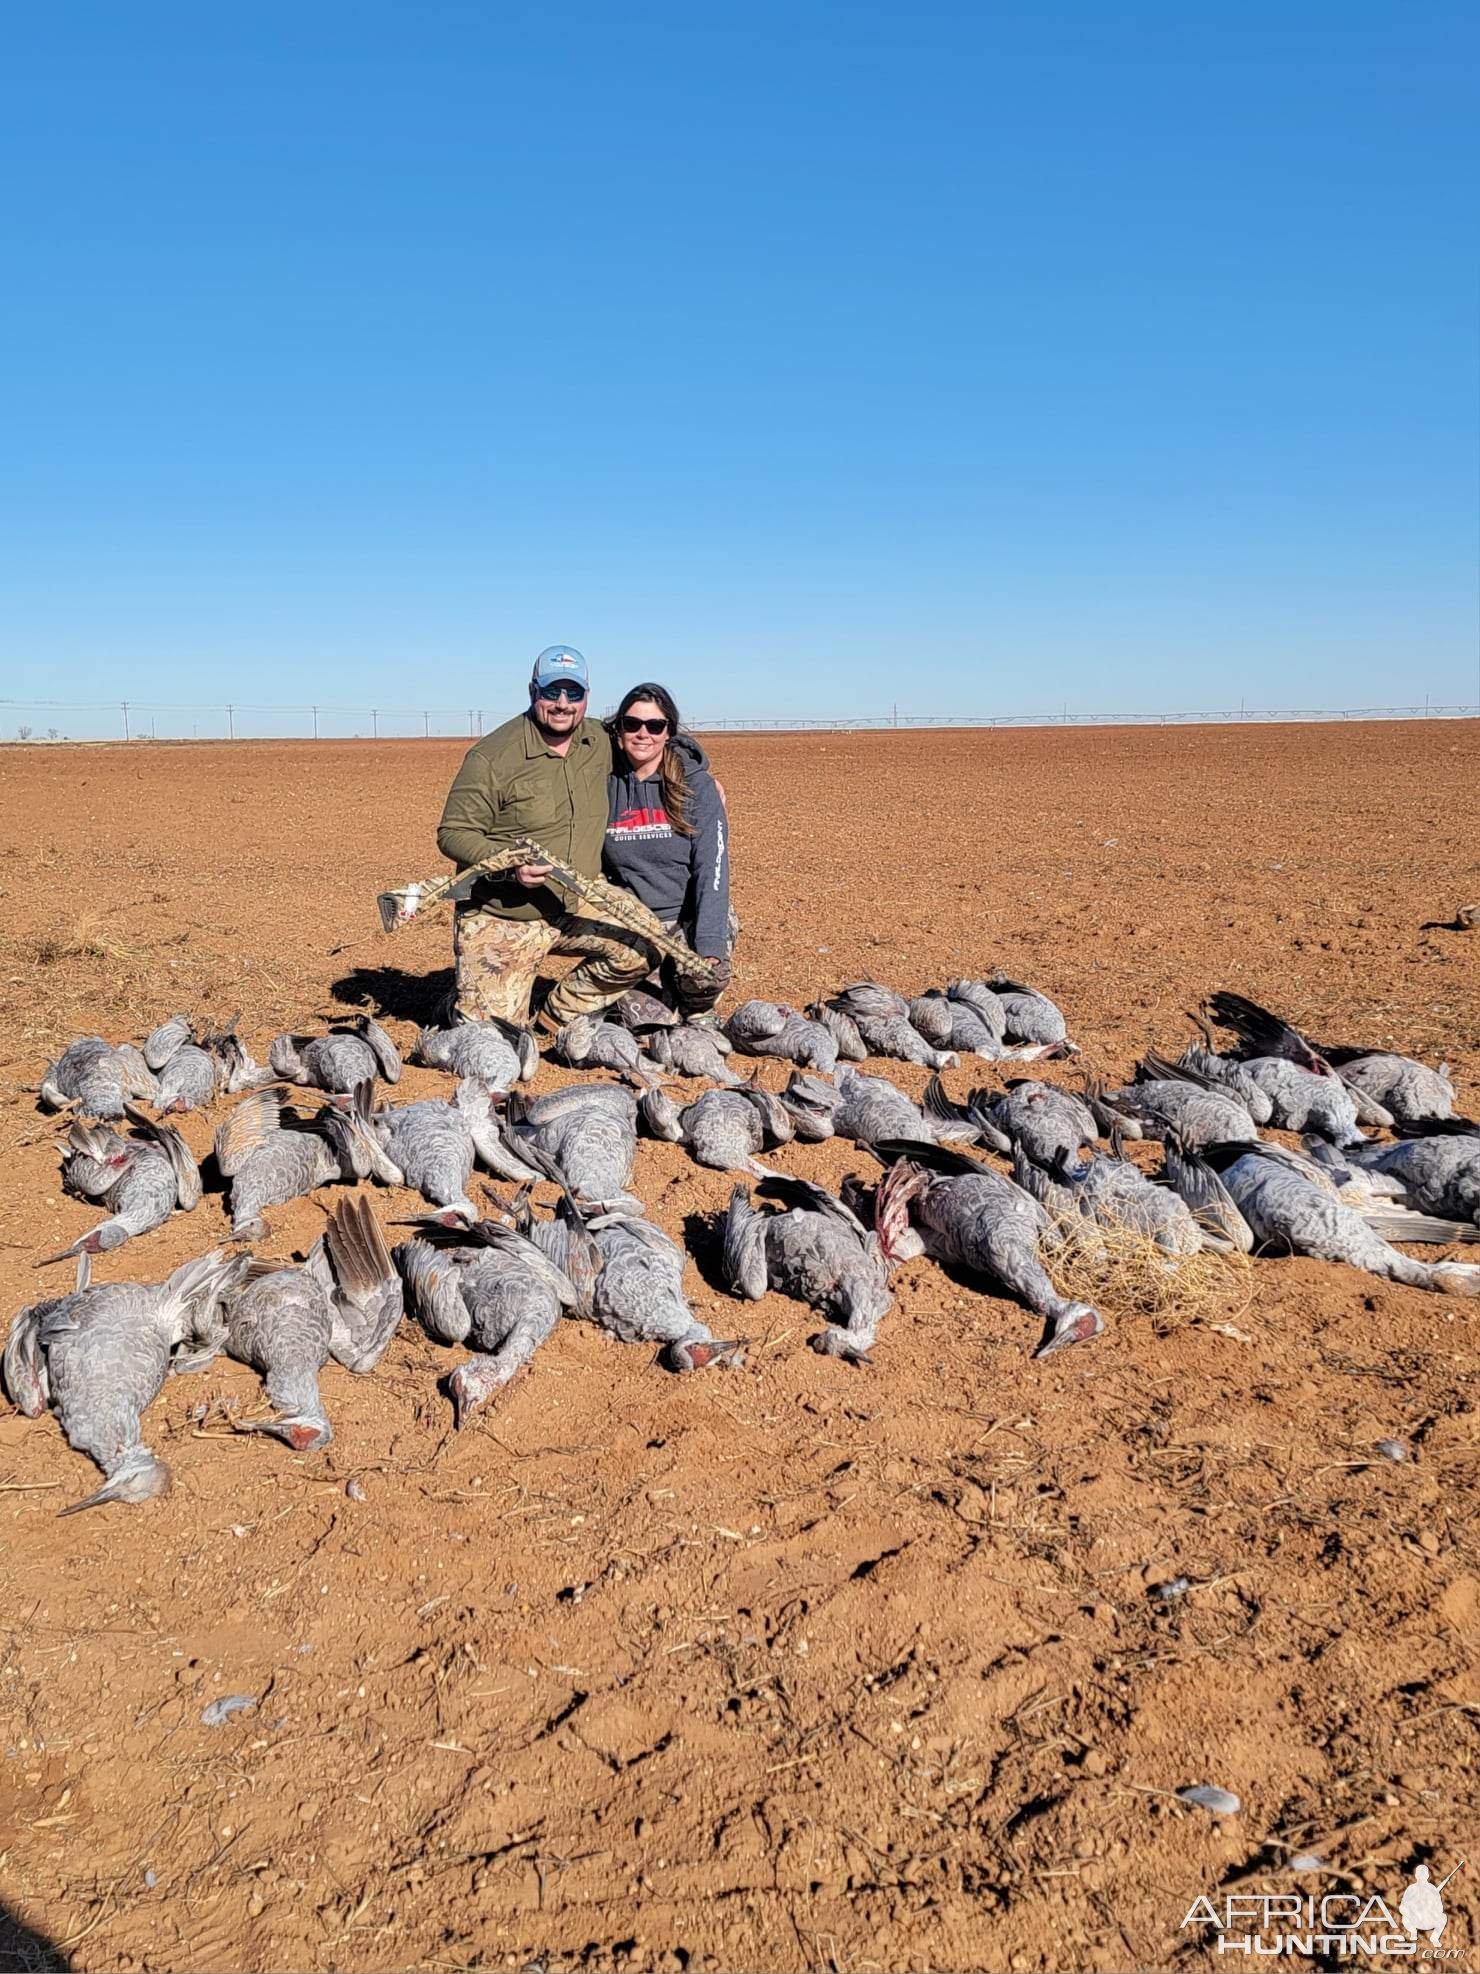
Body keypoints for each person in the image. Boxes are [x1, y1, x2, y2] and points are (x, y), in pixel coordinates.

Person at [436, 646, 659, 1032]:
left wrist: (702, 776)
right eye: (550, 691)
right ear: (531, 691)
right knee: (494, 1041)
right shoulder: (493, 756)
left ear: (586, 696)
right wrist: (510, 862)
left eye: (573, 693)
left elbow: (653, 743)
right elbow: (453, 833)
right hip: (506, 915)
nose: (561, 704)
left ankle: (558, 1014)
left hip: (578, 900)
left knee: (648, 943)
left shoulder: (598, 740)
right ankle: (459, 1004)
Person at [603, 682, 733, 1019]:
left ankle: (697, 1005)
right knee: (648, 1021)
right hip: (635, 925)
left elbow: (712, 869)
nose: (642, 733)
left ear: (668, 731)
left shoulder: (696, 786)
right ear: (619, 729)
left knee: (703, 979)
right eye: (631, 724)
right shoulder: (602, 784)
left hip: (686, 918)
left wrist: (710, 946)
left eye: (655, 725)